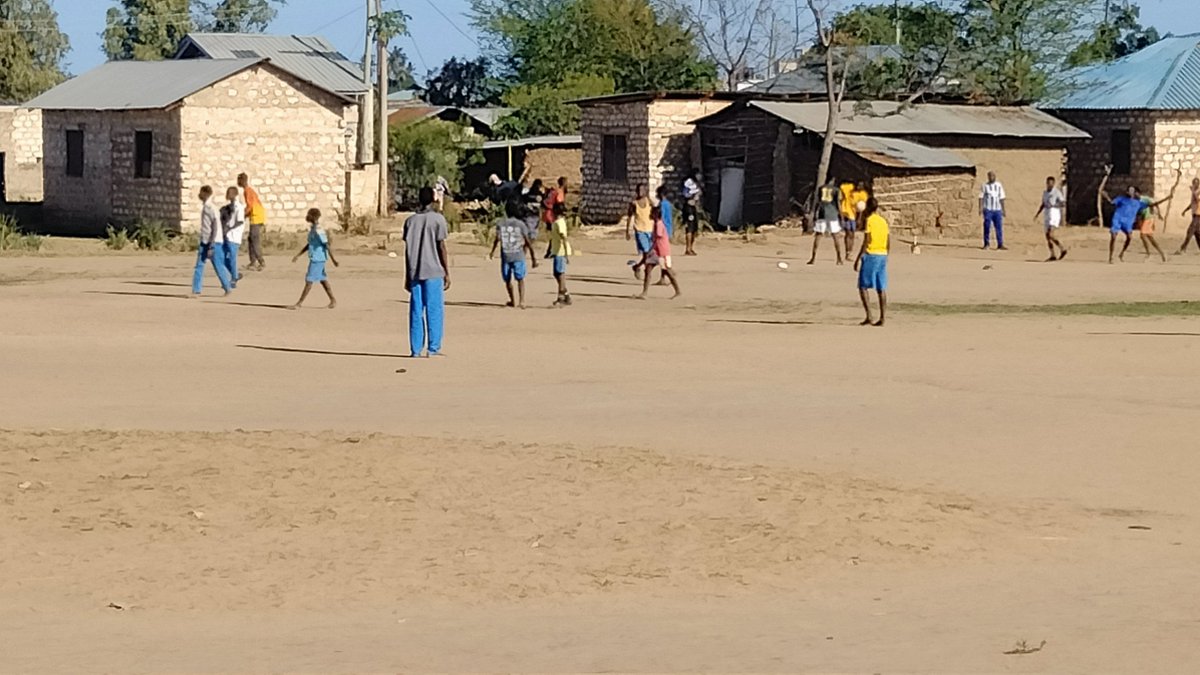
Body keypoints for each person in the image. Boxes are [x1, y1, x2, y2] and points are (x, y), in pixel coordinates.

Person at [402, 186, 452, 357]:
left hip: (415, 270)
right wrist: (447, 271)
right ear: (433, 199)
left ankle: (415, 349)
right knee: (434, 309)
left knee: (416, 310)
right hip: (434, 271)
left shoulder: (410, 221)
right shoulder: (438, 220)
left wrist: (407, 275)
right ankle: (433, 347)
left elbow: (407, 250)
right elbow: (441, 246)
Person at [490, 199, 538, 309]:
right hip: (518, 255)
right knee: (520, 278)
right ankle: (522, 301)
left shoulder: (501, 224)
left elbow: (497, 239)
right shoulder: (520, 224)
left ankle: (513, 300)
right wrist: (533, 257)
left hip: (506, 255)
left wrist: (492, 252)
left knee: (507, 279)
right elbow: (527, 241)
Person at [289, 208, 338, 310]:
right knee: (322, 279)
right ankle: (333, 300)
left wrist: (333, 260)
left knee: (309, 280)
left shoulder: (319, 230)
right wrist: (298, 255)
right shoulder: (313, 229)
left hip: (318, 258)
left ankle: (299, 303)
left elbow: (326, 245)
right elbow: (310, 244)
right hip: (315, 257)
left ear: (313, 217)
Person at [191, 185, 233, 297]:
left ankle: (227, 287)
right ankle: (196, 290)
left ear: (204, 194)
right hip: (205, 241)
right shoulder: (207, 206)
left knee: (218, 265)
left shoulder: (210, 207)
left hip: (212, 242)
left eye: (201, 193)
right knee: (199, 265)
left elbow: (215, 226)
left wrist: (212, 244)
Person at [854, 197, 890, 327]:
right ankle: (883, 317)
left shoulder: (870, 221)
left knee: (863, 286)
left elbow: (866, 240)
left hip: (871, 254)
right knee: (881, 287)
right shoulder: (883, 221)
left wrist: (858, 258)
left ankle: (869, 315)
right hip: (882, 254)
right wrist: (886, 254)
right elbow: (888, 239)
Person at [637, 204, 680, 300]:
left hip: (660, 252)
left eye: (652, 212)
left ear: (656, 214)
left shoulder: (658, 224)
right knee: (648, 270)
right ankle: (645, 292)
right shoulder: (657, 224)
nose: (650, 214)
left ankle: (677, 291)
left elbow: (657, 238)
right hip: (658, 251)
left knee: (665, 271)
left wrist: (650, 249)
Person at [1102, 183, 1145, 264]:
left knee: (1129, 237)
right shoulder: (1121, 199)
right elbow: (1112, 202)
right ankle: (1111, 257)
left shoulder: (1137, 203)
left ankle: (1121, 254)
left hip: (1128, 222)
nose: (1130, 192)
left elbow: (1149, 205)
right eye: (1129, 190)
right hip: (1118, 219)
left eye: (1132, 191)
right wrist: (1106, 197)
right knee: (1114, 237)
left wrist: (1165, 200)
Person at [808, 179, 845, 265]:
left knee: (818, 235)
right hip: (832, 213)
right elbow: (838, 203)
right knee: (835, 236)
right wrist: (841, 215)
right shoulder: (836, 189)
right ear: (832, 180)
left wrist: (814, 213)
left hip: (822, 213)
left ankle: (813, 258)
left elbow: (817, 202)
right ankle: (839, 258)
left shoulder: (821, 188)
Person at [1034, 176, 1068, 261]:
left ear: (1053, 183)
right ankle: (1053, 254)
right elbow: (1043, 204)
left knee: (1051, 234)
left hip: (1054, 213)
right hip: (1047, 213)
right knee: (1047, 236)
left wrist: (1055, 205)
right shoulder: (1045, 193)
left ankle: (1062, 248)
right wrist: (1037, 213)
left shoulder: (1056, 192)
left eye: (1051, 183)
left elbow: (1063, 203)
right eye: (1048, 183)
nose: (1050, 185)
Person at [239, 173, 267, 271]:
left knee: (254, 239)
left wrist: (242, 216)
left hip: (256, 217)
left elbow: (250, 206)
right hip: (257, 215)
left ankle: (261, 262)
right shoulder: (249, 190)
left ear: (242, 181)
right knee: (251, 239)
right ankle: (252, 262)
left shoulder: (247, 191)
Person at [1135, 188, 1172, 263]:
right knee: (1151, 238)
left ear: (1138, 193)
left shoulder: (1145, 199)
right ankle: (1162, 254)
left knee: (1142, 235)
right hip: (1144, 219)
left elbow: (1155, 204)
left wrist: (1159, 214)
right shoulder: (1135, 201)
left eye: (1134, 193)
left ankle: (1149, 254)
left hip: (1149, 218)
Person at [626, 184, 655, 279]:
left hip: (650, 230)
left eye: (642, 190)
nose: (640, 192)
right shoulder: (634, 204)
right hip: (640, 230)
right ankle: (646, 272)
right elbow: (629, 217)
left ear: (645, 191)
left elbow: (655, 212)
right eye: (638, 190)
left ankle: (637, 266)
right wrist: (627, 231)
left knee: (650, 254)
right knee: (646, 252)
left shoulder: (649, 201)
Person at [220, 187, 245, 287]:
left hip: (234, 236)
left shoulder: (239, 207)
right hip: (227, 235)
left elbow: (240, 221)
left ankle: (234, 278)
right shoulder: (230, 207)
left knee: (232, 258)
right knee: (222, 258)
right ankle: (235, 274)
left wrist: (229, 228)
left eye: (230, 193)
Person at [549, 201, 573, 307]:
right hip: (556, 251)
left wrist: (566, 254)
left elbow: (564, 238)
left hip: (561, 251)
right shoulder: (556, 222)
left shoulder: (560, 223)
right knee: (556, 273)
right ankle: (565, 293)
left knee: (560, 273)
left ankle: (561, 296)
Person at [980, 171, 1007, 250]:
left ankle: (1000, 244)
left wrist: (1003, 209)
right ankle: (986, 244)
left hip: (997, 209)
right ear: (988, 177)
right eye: (990, 176)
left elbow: (1002, 198)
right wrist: (980, 208)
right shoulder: (985, 186)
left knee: (998, 227)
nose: (992, 177)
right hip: (988, 209)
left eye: (993, 176)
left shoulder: (998, 186)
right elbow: (981, 197)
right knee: (987, 226)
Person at [840, 180, 869, 255]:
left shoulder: (863, 194)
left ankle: (850, 250)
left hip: (853, 215)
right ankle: (848, 251)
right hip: (846, 212)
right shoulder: (849, 188)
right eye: (858, 185)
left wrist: (859, 219)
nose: (859, 187)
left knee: (852, 234)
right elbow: (842, 188)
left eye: (861, 186)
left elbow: (861, 208)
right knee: (848, 233)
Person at [542, 176, 567, 258]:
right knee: (556, 234)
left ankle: (551, 251)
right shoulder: (559, 192)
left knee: (554, 234)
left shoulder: (556, 191)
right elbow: (559, 204)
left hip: (548, 214)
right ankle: (551, 251)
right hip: (552, 216)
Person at [1176, 178, 1200, 254]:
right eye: (1194, 183)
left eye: (1196, 183)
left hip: (1198, 215)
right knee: (1197, 233)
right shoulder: (1195, 192)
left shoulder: (1198, 192)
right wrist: (1185, 210)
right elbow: (1193, 203)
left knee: (1190, 231)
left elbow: (1198, 199)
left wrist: (1193, 191)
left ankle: (1183, 249)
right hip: (1195, 214)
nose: (1195, 185)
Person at [682, 170, 702, 256]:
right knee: (689, 228)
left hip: (694, 207)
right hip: (689, 207)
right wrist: (693, 195)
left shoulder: (697, 183)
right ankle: (688, 248)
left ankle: (691, 248)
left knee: (694, 228)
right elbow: (685, 194)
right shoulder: (688, 182)